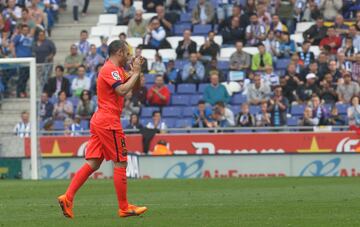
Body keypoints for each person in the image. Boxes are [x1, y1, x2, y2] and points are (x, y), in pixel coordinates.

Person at [57, 40, 147, 218]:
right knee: (121, 161)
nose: (129, 56)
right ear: (119, 52)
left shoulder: (118, 70)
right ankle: (124, 207)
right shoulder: (109, 70)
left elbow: (135, 87)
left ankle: (67, 197)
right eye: (127, 53)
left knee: (94, 162)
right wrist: (134, 73)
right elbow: (122, 91)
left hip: (101, 119)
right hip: (108, 121)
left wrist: (138, 71)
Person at [10, 24, 33, 97]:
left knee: (26, 77)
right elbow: (12, 45)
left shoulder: (29, 38)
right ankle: (19, 92)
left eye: (27, 30)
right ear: (21, 30)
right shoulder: (18, 37)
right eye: (24, 30)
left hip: (29, 61)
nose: (25, 31)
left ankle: (23, 91)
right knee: (22, 77)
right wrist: (14, 55)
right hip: (22, 60)